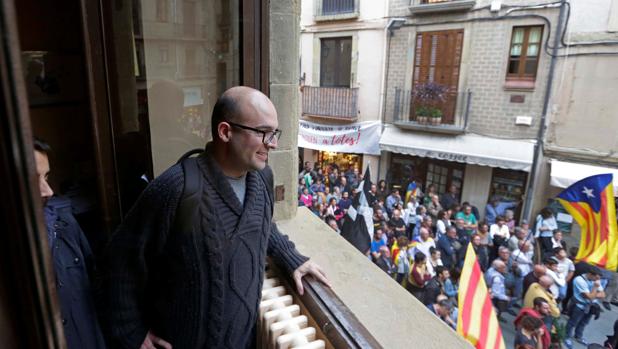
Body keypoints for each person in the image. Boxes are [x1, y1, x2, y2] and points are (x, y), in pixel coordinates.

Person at [100, 87, 330, 348]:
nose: (273, 143)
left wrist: (290, 257)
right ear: (225, 132)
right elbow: (118, 261)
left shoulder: (263, 178)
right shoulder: (176, 188)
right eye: (262, 132)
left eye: (274, 133)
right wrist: (132, 333)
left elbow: (263, 225)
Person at [34, 139, 106, 349]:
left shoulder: (64, 225)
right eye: (32, 180)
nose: (47, 191)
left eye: (46, 176)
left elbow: (93, 292)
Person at [565, 267, 606, 347]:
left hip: (591, 306)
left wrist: (593, 295)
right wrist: (595, 288)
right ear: (590, 274)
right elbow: (590, 297)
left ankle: (578, 336)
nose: (597, 280)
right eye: (596, 278)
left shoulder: (596, 280)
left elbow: (603, 295)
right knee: (572, 322)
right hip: (579, 305)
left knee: (584, 323)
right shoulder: (579, 280)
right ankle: (566, 336)